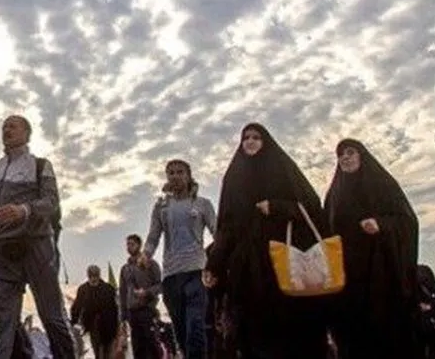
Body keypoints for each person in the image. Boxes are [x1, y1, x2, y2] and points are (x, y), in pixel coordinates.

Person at [203, 123, 329, 359]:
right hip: (247, 271)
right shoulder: (234, 178)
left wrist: (277, 207)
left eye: (256, 137)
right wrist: (214, 264)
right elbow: (226, 227)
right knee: (253, 333)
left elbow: (311, 208)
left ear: (266, 142)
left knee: (290, 332)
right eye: (246, 138)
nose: (250, 142)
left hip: (283, 265)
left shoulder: (283, 170)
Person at [0, 114, 75, 359]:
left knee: (52, 317)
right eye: (4, 126)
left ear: (27, 133)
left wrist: (24, 210)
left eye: (13, 126)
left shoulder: (41, 166)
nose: (7, 130)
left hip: (36, 246)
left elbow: (52, 202)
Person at [323, 139, 419, 358]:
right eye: (340, 155)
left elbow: (407, 222)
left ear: (362, 156)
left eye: (350, 152)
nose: (345, 157)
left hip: (381, 275)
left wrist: (381, 224)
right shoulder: (334, 195)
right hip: (347, 279)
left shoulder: (383, 185)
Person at [142, 159, 215, 359]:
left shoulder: (203, 204)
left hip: (196, 272)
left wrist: (217, 261)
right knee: (181, 332)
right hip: (171, 276)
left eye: (180, 172)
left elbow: (217, 232)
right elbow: (153, 236)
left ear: (189, 176)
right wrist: (146, 254)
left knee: (195, 328)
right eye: (171, 173)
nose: (175, 176)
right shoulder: (161, 207)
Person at [119, 234, 162, 359]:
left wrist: (147, 292)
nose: (129, 247)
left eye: (132, 244)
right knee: (137, 348)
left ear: (139, 245)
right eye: (127, 244)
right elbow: (122, 293)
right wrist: (123, 317)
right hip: (132, 313)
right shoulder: (125, 269)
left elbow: (160, 285)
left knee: (152, 346)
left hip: (147, 310)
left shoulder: (151, 263)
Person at [69, 265, 117, 359]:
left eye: (95, 276)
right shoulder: (83, 289)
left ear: (99, 276)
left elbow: (114, 309)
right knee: (97, 352)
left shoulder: (108, 289)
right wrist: (74, 320)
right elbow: (77, 306)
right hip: (93, 326)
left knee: (107, 352)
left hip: (108, 326)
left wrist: (116, 327)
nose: (93, 279)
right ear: (88, 276)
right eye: (91, 276)